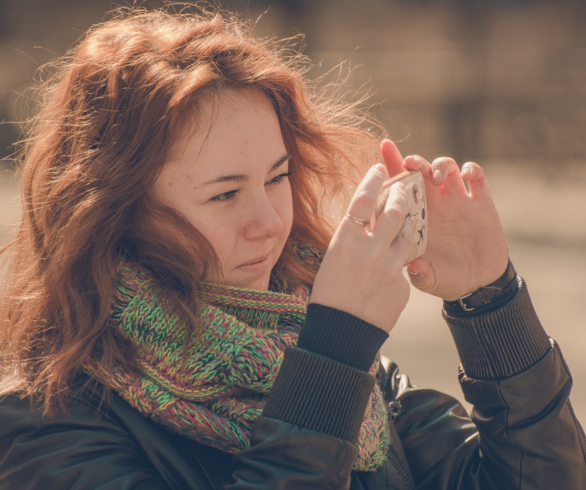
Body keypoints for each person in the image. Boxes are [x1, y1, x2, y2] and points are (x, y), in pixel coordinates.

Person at [0, 5, 584, 490]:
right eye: (225, 194)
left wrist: (491, 302)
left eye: (277, 177)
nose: (270, 222)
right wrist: (331, 356)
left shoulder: (343, 368)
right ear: (114, 214)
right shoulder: (44, 421)